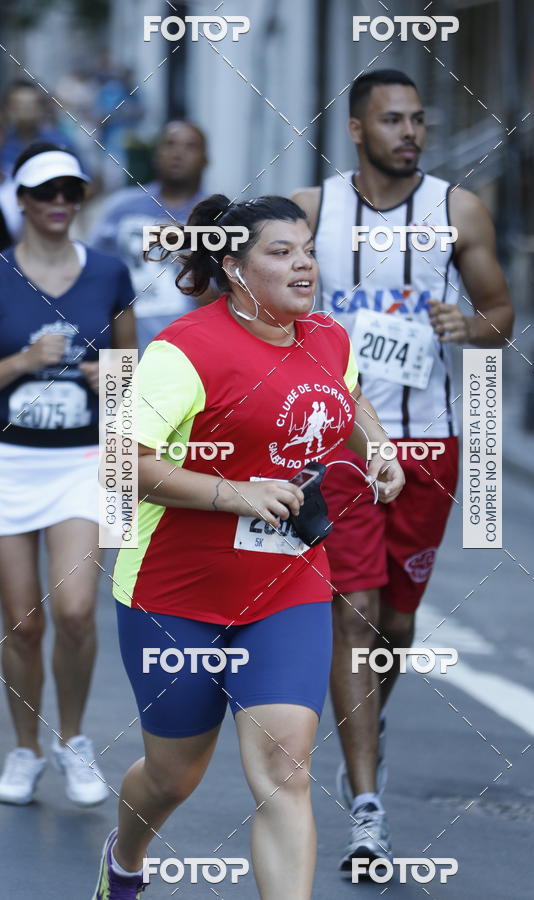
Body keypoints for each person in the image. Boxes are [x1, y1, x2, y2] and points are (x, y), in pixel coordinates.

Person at [91, 194, 405, 899]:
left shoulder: (328, 338)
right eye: (280, 252)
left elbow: (345, 401)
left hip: (285, 586)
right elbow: (118, 461)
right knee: (174, 776)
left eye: (306, 250)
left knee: (286, 769)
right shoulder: (185, 352)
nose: (303, 264)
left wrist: (379, 450)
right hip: (175, 593)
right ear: (234, 267)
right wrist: (234, 491)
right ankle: (127, 857)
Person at [292, 68, 515, 869]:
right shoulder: (311, 212)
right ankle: (367, 804)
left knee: (396, 624)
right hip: (341, 447)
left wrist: (470, 323)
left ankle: (365, 721)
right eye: (392, 120)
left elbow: (502, 311)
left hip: (429, 446)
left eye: (418, 119)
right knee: (353, 617)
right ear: (357, 130)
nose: (410, 132)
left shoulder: (459, 210)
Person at [0, 142, 137, 806]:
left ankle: (73, 739)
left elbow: (136, 371)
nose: (59, 203)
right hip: (9, 462)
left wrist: (109, 376)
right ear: (21, 200)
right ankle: (24, 748)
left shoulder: (108, 273)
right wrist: (21, 365)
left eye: (71, 192)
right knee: (23, 622)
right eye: (46, 192)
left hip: (86, 458)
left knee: (78, 610)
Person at [89, 120, 211, 353]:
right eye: (170, 144)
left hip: (189, 353)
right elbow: (93, 273)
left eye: (190, 146)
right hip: (118, 347)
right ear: (156, 154)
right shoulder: (120, 207)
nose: (178, 153)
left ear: (205, 159)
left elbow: (228, 299)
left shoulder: (219, 217)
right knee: (113, 390)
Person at [0, 81, 78, 177]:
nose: (24, 111)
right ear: (7, 109)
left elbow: (86, 182)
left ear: (42, 108)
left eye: (30, 105)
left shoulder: (59, 142)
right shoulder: (3, 143)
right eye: (18, 106)